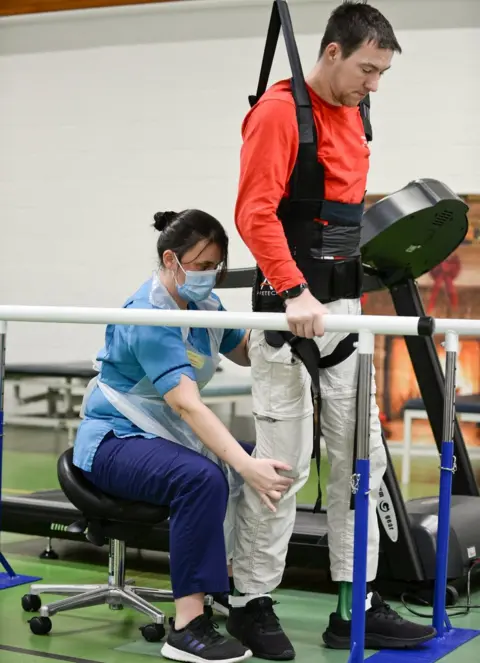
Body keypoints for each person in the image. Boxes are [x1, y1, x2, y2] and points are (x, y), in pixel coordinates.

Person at [227, 2, 437, 659]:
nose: (373, 84)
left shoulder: (356, 111)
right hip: (285, 310)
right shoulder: (278, 113)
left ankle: (356, 607)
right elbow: (254, 212)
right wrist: (292, 289)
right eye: (367, 69)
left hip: (342, 313)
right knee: (279, 467)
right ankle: (251, 602)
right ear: (331, 53)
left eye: (381, 73)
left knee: (359, 465)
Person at [73, 208, 294, 663]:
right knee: (204, 478)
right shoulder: (148, 315)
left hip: (163, 436)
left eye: (217, 266)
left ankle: (241, 595)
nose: (210, 276)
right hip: (113, 441)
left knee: (269, 457)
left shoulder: (204, 307)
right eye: (201, 266)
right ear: (171, 260)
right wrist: (243, 464)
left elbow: (247, 351)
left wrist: (283, 319)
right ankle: (188, 626)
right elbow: (186, 404)